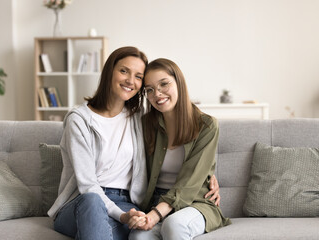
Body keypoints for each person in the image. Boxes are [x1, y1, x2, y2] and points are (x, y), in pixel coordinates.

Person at [47, 47, 220, 240]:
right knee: (93, 203)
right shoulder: (80, 120)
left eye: (138, 76)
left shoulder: (138, 119)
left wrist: (209, 174)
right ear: (108, 72)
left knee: (137, 234)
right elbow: (87, 186)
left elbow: (193, 162)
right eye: (124, 71)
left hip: (126, 203)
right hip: (81, 201)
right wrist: (121, 216)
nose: (130, 80)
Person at [129, 58, 231, 240]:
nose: (157, 94)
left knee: (174, 225)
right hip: (156, 201)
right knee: (137, 237)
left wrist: (155, 214)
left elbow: (191, 180)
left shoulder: (206, 126)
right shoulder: (145, 124)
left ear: (179, 83)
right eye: (150, 90)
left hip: (196, 203)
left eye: (164, 84)